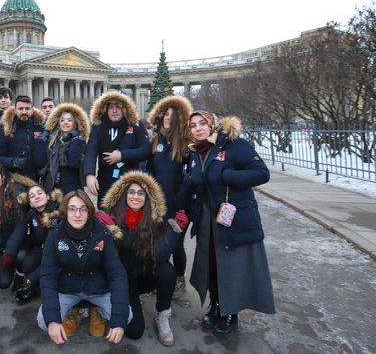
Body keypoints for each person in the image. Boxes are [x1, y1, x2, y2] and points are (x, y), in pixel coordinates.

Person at [181, 111, 275, 335]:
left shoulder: (233, 145)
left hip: (233, 220)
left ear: (212, 124)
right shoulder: (195, 152)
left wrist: (229, 176)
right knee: (211, 265)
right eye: (193, 125)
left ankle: (230, 312)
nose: (197, 129)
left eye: (202, 123)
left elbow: (262, 173)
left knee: (232, 267)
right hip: (207, 221)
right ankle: (216, 305)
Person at [101, 171, 188, 345]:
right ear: (124, 194)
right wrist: (100, 229)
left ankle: (162, 315)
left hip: (146, 273)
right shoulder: (112, 217)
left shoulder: (155, 220)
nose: (135, 197)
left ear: (147, 197)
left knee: (167, 271)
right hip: (124, 280)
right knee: (134, 331)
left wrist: (174, 230)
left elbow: (160, 255)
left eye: (141, 193)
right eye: (131, 192)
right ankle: (115, 303)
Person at [37, 190, 131, 345]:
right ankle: (71, 313)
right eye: (72, 209)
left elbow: (117, 273)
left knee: (126, 317)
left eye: (83, 209)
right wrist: (53, 320)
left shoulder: (102, 233)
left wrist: (119, 321)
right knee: (44, 320)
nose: (77, 214)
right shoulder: (55, 235)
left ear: (90, 211)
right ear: (65, 211)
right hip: (68, 287)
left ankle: (97, 311)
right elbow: (47, 274)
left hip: (97, 287)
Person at [146, 95, 193, 299]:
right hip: (157, 203)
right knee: (156, 243)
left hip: (179, 204)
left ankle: (180, 280)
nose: (168, 118)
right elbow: (149, 171)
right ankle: (158, 279)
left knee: (176, 245)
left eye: (173, 116)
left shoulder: (184, 144)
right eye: (166, 114)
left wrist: (184, 204)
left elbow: (190, 175)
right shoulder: (155, 141)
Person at [83, 91, 150, 205]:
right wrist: (89, 174)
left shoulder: (136, 125)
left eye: (118, 107)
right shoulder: (98, 126)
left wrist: (122, 155)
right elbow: (91, 151)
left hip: (130, 184)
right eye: (111, 107)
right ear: (105, 109)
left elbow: (146, 150)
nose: (114, 111)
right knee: (106, 220)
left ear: (125, 109)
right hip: (106, 184)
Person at [0, 161, 33, 289]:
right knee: (3, 282)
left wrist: (9, 251)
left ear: (2, 176)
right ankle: (7, 269)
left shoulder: (15, 191)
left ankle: (20, 273)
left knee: (22, 256)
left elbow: (20, 227)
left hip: (15, 244)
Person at [14, 184, 62, 304]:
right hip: (42, 249)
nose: (36, 197)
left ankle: (39, 288)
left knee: (49, 273)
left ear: (48, 197)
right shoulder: (32, 214)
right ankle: (36, 289)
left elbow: (54, 251)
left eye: (40, 193)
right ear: (30, 203)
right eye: (32, 196)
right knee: (27, 262)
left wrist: (33, 277)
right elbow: (31, 238)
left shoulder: (57, 214)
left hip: (59, 254)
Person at [34, 103, 89, 194]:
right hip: (52, 186)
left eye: (69, 120)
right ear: (58, 123)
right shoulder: (52, 141)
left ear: (75, 123)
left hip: (71, 187)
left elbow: (73, 163)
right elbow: (40, 161)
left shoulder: (79, 140)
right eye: (62, 120)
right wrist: (42, 139)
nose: (65, 122)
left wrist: (76, 140)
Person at [0, 95, 45, 180]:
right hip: (15, 178)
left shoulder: (41, 128)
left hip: (38, 178)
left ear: (32, 110)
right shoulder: (6, 130)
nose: (24, 112)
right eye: (20, 108)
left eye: (27, 108)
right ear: (15, 110)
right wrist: (13, 161)